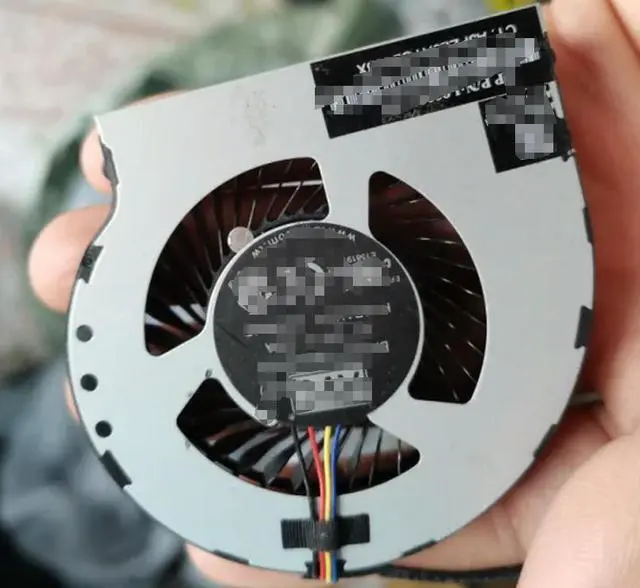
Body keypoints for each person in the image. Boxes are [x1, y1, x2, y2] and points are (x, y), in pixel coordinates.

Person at [26, 0, 640, 586]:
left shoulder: (487, 74)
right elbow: (490, 64)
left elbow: (496, 64)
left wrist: (503, 68)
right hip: (480, 112)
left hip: (493, 118)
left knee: (485, 64)